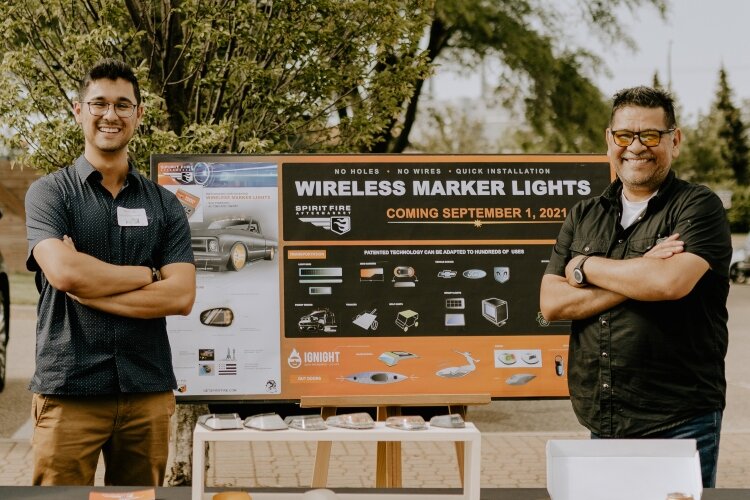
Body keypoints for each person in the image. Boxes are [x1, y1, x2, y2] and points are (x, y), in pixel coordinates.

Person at [539, 86, 731, 488]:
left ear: (673, 141)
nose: (636, 147)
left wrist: (585, 266)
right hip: (603, 416)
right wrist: (639, 272)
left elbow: (668, 283)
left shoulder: (698, 207)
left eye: (650, 135)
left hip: (681, 418)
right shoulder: (584, 215)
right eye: (625, 135)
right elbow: (553, 303)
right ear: (610, 140)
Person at [24, 59, 196, 486]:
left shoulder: (164, 204)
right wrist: (147, 274)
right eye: (99, 103)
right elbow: (64, 273)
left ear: (138, 114)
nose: (110, 115)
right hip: (69, 388)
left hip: (147, 390)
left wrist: (90, 289)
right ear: (78, 111)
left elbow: (181, 297)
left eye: (123, 104)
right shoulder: (50, 193)